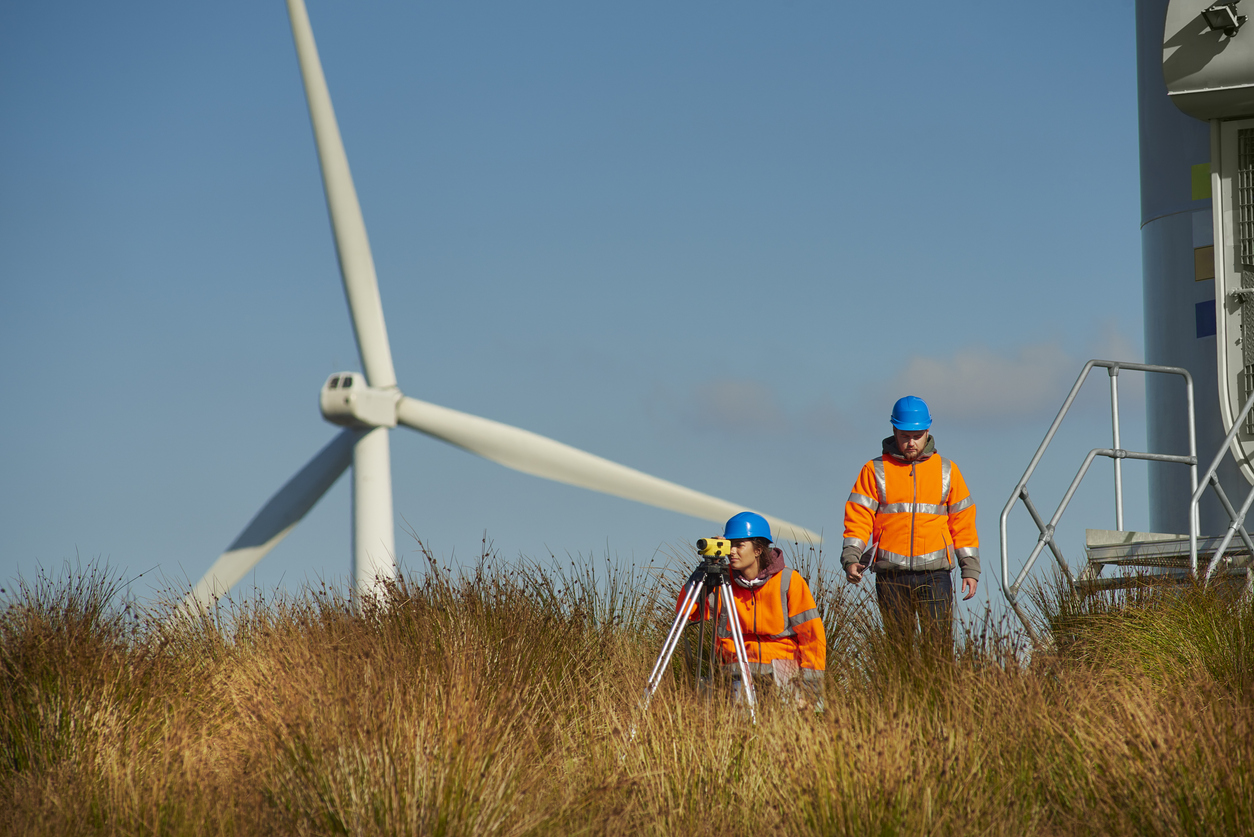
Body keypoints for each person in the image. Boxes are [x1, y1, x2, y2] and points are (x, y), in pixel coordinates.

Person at [841, 396, 979, 652]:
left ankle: (938, 694)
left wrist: (969, 568)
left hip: (936, 575)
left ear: (928, 431)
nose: (911, 442)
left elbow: (963, 522)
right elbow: (858, 518)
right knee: (898, 651)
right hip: (890, 575)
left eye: (917, 435)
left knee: (938, 651)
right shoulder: (874, 470)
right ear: (894, 430)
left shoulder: (947, 470)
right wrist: (851, 558)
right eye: (905, 435)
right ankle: (899, 693)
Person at [685, 511, 826, 708]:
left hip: (782, 676)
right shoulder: (721, 582)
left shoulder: (789, 581)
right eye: (729, 545)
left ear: (758, 549)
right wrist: (704, 571)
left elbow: (813, 638)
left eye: (739, 545)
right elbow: (687, 613)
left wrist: (811, 691)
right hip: (735, 676)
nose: (732, 551)